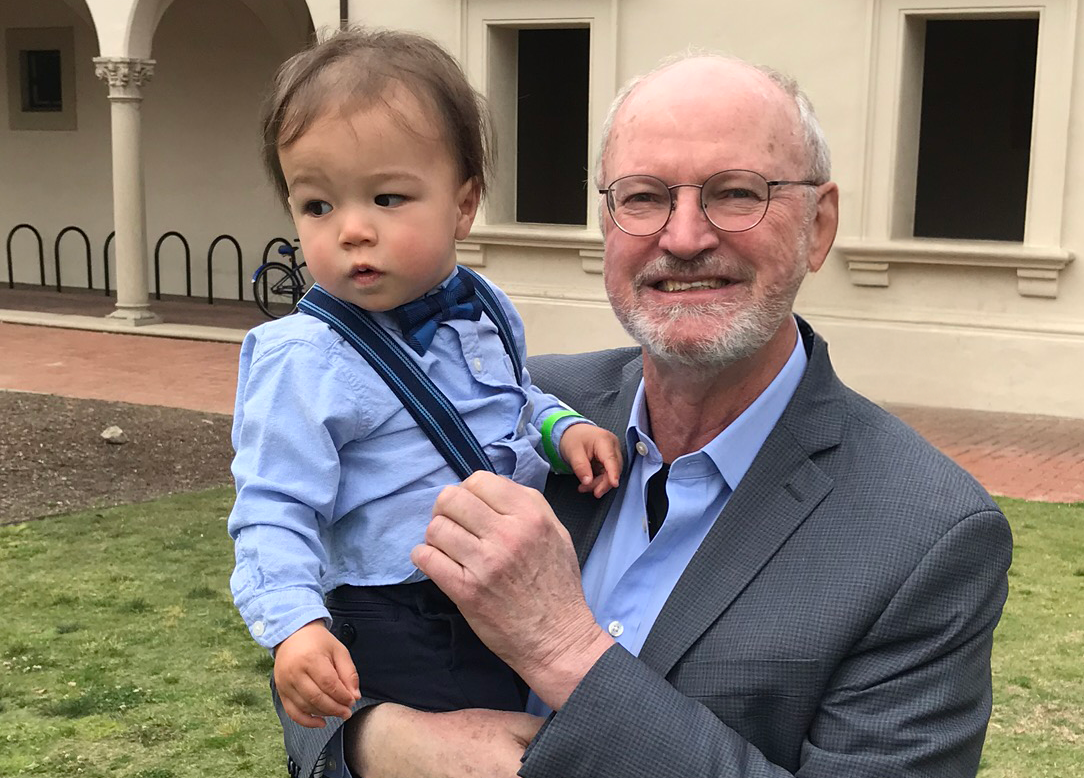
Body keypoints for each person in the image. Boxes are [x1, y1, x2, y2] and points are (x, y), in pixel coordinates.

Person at [334, 51, 1016, 778]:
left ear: (819, 226)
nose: (684, 237)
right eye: (644, 197)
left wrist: (565, 650)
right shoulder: (510, 411)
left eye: (735, 193)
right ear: (608, 223)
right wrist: (376, 744)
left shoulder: (927, 535)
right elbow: (329, 628)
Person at [227, 27, 623, 778]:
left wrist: (558, 427)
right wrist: (297, 629)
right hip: (398, 617)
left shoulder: (484, 306)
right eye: (316, 204)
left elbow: (509, 399)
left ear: (463, 203)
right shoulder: (302, 360)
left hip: (503, 588)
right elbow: (273, 508)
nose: (351, 229)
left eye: (387, 197)